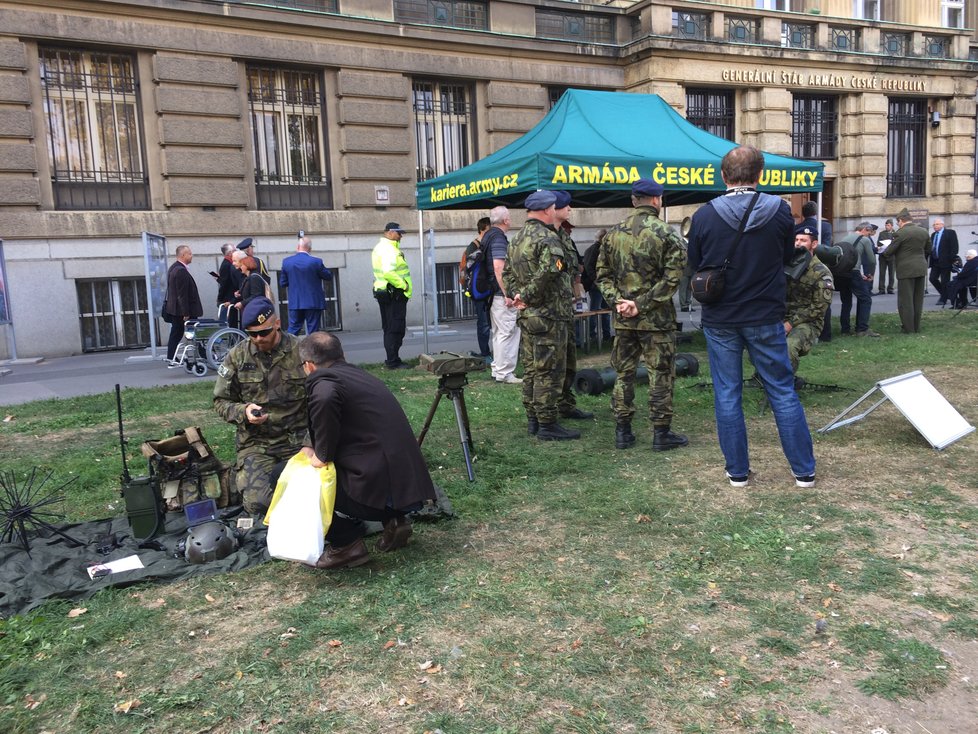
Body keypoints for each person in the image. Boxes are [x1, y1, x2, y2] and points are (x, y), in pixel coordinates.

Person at [686, 145, 816, 488]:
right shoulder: (780, 212)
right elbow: (787, 255)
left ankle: (738, 473)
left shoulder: (704, 215)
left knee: (727, 393)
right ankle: (803, 471)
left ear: (723, 176)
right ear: (760, 175)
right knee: (782, 391)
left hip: (721, 317)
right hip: (765, 314)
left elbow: (695, 265)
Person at [299, 332, 438, 569]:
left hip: (378, 492)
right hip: (408, 488)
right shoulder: (360, 376)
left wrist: (317, 456)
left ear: (309, 366)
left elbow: (325, 400)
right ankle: (394, 519)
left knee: (291, 478)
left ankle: (346, 545)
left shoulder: (324, 384)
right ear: (342, 355)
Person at [597, 179, 688, 451]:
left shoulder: (613, 234)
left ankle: (622, 432)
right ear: (657, 200)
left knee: (623, 373)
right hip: (656, 320)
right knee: (660, 374)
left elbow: (601, 275)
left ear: (634, 199)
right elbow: (673, 278)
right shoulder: (667, 233)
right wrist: (642, 304)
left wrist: (620, 302)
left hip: (624, 319)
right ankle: (661, 433)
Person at [213, 297, 308, 516]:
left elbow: (321, 399)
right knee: (259, 504)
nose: (258, 338)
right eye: (251, 333)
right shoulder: (237, 356)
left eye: (263, 332)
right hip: (257, 443)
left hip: (298, 440)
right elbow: (220, 401)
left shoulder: (300, 351)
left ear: (277, 324)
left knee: (316, 490)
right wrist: (243, 412)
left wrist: (312, 443)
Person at [503, 190, 579, 441]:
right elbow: (551, 272)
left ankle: (533, 419)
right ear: (547, 210)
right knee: (549, 370)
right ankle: (547, 423)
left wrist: (517, 295)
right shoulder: (548, 238)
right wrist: (526, 295)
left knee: (532, 368)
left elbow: (506, 274)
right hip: (549, 314)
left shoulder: (516, 239)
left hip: (528, 315)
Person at [552, 192, 593, 422]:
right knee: (551, 365)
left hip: (565, 305)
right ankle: (546, 414)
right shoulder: (546, 236)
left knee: (569, 360)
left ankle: (566, 404)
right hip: (550, 310)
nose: (570, 209)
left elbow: (572, 264)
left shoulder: (563, 237)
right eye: (566, 206)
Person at [784, 225, 834, 376]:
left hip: (808, 322)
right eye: (796, 240)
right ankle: (761, 377)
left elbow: (819, 308)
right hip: (782, 316)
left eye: (803, 240)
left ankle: (784, 389)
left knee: (789, 347)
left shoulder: (821, 272)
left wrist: (790, 323)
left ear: (814, 244)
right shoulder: (787, 264)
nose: (798, 243)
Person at [485, 206, 522, 384]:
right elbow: (499, 267)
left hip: (492, 293)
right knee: (508, 331)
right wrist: (508, 293)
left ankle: (497, 369)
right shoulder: (498, 238)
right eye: (510, 217)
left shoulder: (488, 235)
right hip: (501, 294)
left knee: (499, 332)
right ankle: (505, 372)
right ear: (506, 220)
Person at [882, 209, 931, 333]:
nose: (897, 224)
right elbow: (929, 249)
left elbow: (889, 251)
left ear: (901, 220)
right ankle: (916, 326)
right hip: (920, 268)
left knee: (906, 300)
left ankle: (908, 328)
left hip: (906, 269)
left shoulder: (900, 233)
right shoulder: (923, 231)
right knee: (918, 300)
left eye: (898, 222)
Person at [371, 222, 412, 370]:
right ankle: (393, 361)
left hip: (386, 292)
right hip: (394, 293)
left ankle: (392, 359)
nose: (401, 236)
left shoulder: (381, 247)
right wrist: (404, 285)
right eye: (398, 233)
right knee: (395, 328)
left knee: (389, 327)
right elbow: (389, 272)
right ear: (389, 232)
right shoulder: (389, 249)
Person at [279, 235, 332, 335]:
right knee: (313, 331)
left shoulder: (287, 262)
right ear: (310, 249)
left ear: (297, 247)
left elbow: (283, 283)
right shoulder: (316, 262)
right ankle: (311, 350)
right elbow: (328, 276)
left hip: (296, 301)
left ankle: (288, 349)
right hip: (313, 301)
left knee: (293, 329)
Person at [835, 222, 879, 337]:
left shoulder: (844, 238)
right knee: (865, 299)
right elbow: (872, 260)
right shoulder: (865, 240)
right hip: (854, 272)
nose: (869, 235)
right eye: (869, 232)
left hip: (841, 273)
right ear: (865, 229)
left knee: (846, 301)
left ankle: (845, 330)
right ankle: (862, 329)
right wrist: (870, 274)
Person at [163, 244, 203, 362]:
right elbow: (182, 294)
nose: (192, 256)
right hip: (183, 311)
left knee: (177, 333)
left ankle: (171, 357)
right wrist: (186, 313)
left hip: (177, 309)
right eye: (190, 253)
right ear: (183, 255)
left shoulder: (174, 268)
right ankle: (202, 354)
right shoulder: (180, 271)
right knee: (192, 332)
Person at [465, 217, 492, 359]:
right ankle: (485, 352)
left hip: (489, 288)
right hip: (479, 290)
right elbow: (467, 268)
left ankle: (491, 352)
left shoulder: (489, 243)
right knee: (483, 324)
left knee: (489, 323)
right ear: (483, 229)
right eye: (489, 229)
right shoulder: (474, 245)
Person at [580, 229, 613, 342]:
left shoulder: (599, 249)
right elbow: (589, 267)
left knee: (604, 311)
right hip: (597, 285)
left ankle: (606, 335)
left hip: (601, 284)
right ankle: (592, 335)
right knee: (595, 310)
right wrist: (597, 280)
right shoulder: (595, 250)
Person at [929, 219, 959, 306]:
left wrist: (951, 258)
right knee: (932, 278)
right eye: (934, 225)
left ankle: (943, 298)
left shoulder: (950, 233)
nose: (935, 226)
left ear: (942, 225)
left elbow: (954, 247)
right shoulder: (933, 235)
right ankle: (947, 294)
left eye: (937, 224)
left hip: (946, 261)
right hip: (935, 261)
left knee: (944, 281)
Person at [216, 242, 242, 329]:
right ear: (230, 253)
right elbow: (224, 284)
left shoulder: (229, 264)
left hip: (233, 297)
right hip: (229, 298)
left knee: (234, 322)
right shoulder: (226, 265)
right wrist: (220, 299)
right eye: (234, 250)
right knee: (231, 323)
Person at [875, 219, 896, 294]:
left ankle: (890, 288)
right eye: (886, 225)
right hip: (883, 255)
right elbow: (878, 243)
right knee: (882, 273)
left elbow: (896, 244)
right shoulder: (882, 233)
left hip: (892, 256)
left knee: (891, 273)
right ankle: (881, 289)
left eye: (888, 225)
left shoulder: (895, 233)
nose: (887, 227)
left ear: (892, 226)